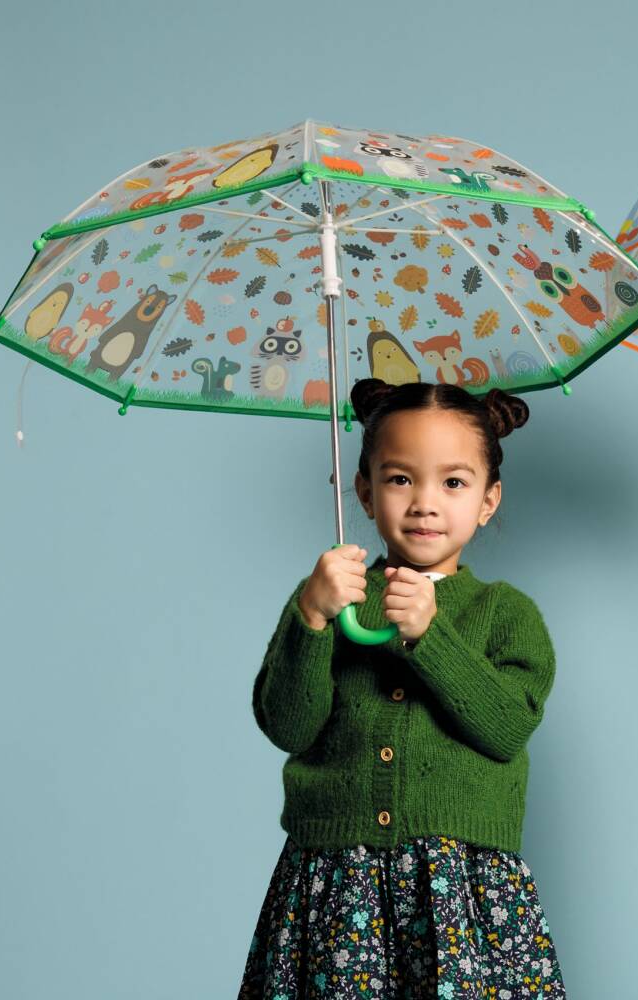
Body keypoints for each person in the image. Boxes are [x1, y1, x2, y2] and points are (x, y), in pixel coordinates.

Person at [240, 378, 564, 999]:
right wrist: (312, 616)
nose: (424, 504)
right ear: (364, 492)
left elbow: (506, 728)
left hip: (458, 885)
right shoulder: (332, 599)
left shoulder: (505, 613)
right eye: (399, 479)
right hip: (339, 879)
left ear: (488, 500)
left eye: (454, 482)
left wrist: (431, 635)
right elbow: (287, 725)